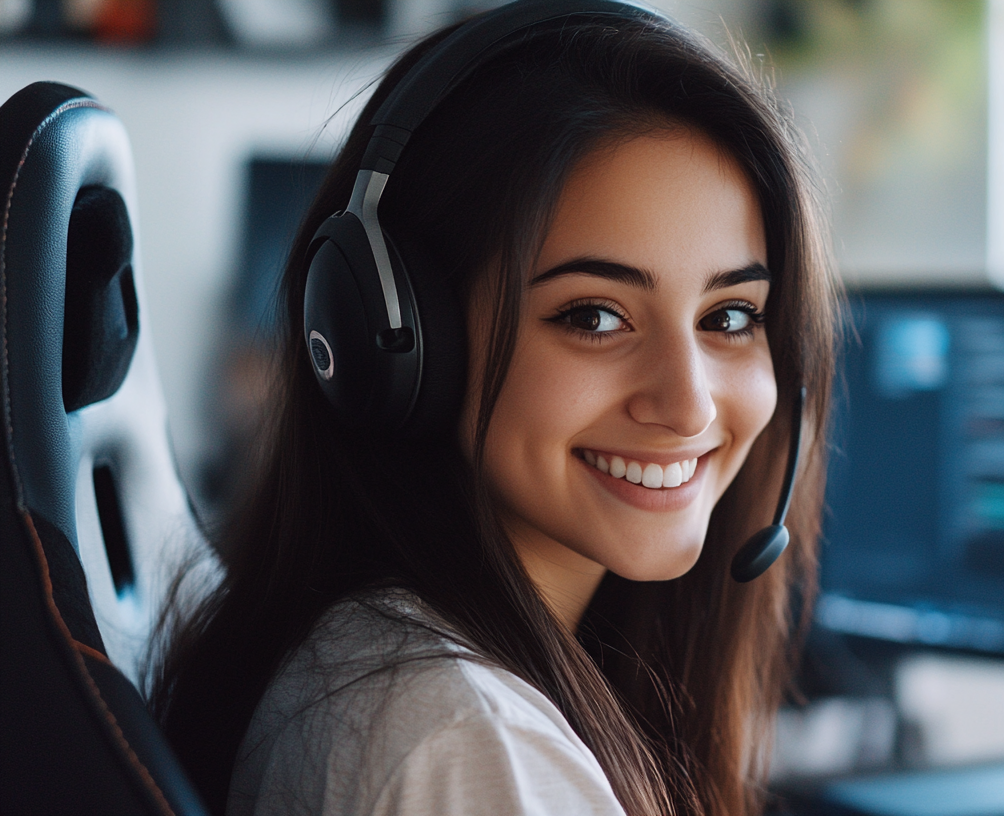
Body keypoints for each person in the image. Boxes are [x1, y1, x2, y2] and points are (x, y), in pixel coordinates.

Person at [148, 3, 839, 815]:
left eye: (729, 318)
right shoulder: (463, 741)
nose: (687, 405)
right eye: (594, 316)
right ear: (396, 340)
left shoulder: (370, 662)